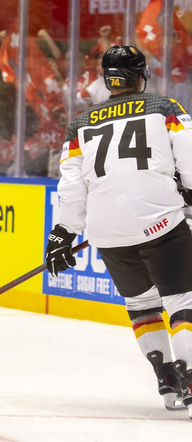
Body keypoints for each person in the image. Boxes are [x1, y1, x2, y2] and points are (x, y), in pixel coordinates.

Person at [47, 45, 192, 417]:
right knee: (183, 302)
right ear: (140, 74)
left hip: (107, 232)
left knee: (142, 305)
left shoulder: (82, 122)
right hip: (160, 220)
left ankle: (166, 379)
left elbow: (71, 182)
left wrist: (63, 230)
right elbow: (190, 152)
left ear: (107, 78)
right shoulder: (165, 108)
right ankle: (190, 379)